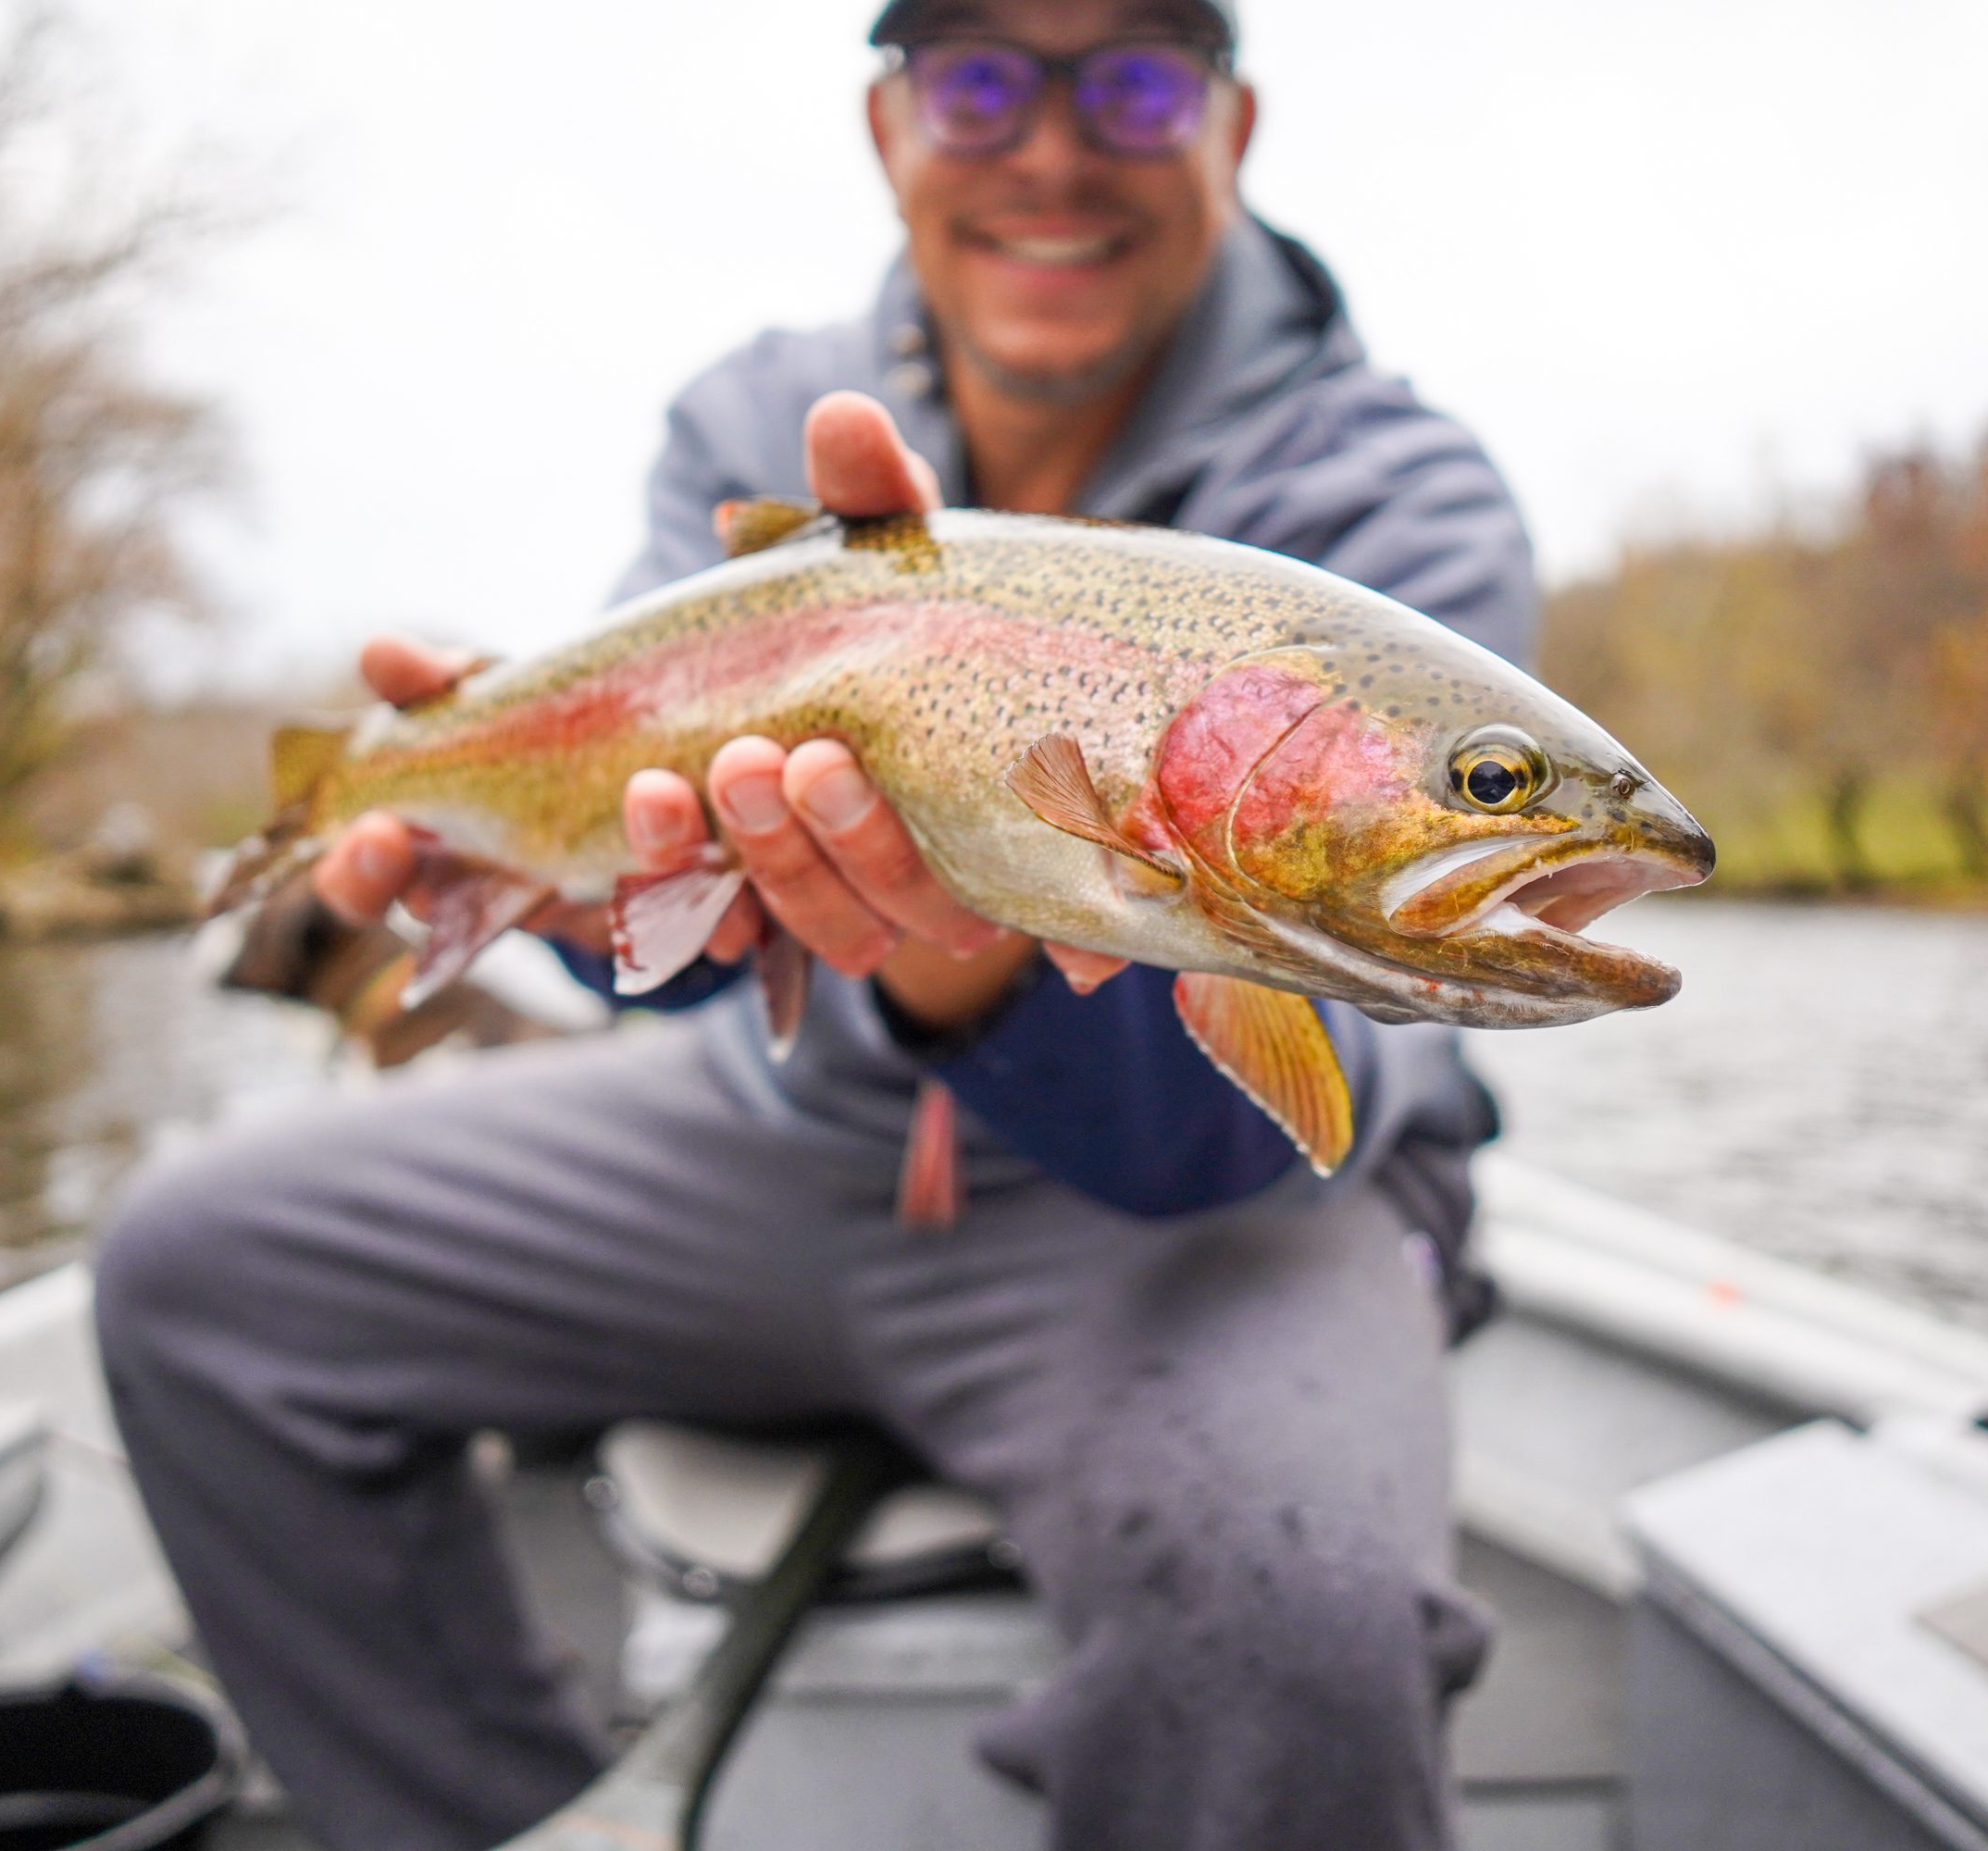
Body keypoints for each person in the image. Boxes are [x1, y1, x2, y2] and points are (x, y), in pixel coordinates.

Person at [93, 2, 1536, 1845]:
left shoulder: (1389, 504)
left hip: (1212, 1221)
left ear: (1236, 125)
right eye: (983, 80)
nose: (1052, 150)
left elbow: (1246, 1118)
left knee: (1297, 1617)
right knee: (192, 1277)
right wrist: (507, 851)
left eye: (1136, 79)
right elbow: (665, 925)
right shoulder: (751, 419)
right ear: (888, 128)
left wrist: (967, 957)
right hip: (776, 1138)